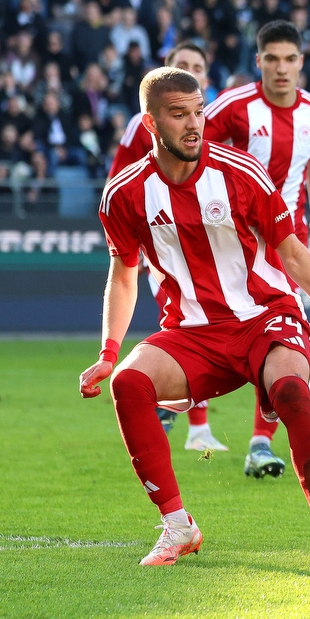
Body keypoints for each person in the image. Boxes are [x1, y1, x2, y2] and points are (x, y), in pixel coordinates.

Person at [79, 66, 310, 567]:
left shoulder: (240, 172)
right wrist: (108, 352)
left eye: (198, 112)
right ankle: (177, 528)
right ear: (150, 124)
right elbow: (123, 275)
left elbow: (294, 255)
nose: (193, 124)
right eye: (178, 115)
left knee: (291, 390)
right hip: (190, 334)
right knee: (128, 384)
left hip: (265, 317)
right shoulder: (124, 193)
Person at [204, 21, 310, 478]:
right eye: (272, 59)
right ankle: (189, 409)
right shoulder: (232, 108)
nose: (281, 68)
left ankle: (261, 441)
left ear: (302, 62)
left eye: (290, 59)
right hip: (232, 242)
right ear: (258, 61)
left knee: (286, 332)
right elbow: (194, 153)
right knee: (222, 330)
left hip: (288, 242)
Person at [108, 41, 228, 453]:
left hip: (214, 240)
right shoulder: (141, 128)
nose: (189, 70)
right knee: (189, 321)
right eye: (181, 65)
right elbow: (118, 178)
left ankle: (180, 411)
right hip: (163, 240)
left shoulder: (213, 123)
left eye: (197, 67)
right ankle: (191, 421)